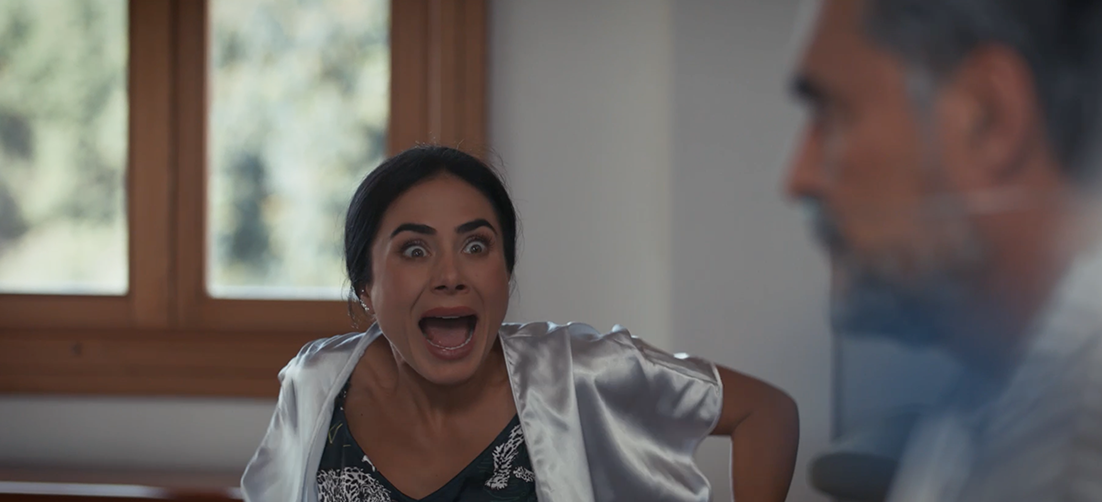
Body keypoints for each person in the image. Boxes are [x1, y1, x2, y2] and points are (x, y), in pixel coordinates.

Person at [784, 0, 1102, 500]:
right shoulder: (996, 407)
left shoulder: (1099, 444)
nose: (798, 178)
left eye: (833, 115)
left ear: (988, 117)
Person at [241, 145, 800, 502]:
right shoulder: (315, 384)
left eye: (476, 246)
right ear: (365, 285)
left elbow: (766, 412)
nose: (450, 275)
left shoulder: (577, 373)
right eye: (414, 250)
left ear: (505, 274)